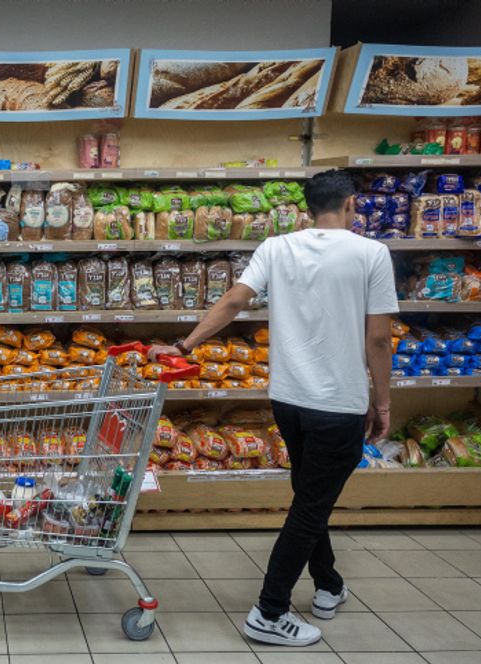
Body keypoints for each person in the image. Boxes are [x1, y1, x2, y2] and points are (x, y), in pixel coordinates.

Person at [149, 169, 398, 646]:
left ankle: (328, 586)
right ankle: (269, 611)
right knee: (310, 506)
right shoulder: (371, 254)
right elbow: (380, 338)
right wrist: (382, 401)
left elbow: (232, 302)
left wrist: (184, 345)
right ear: (350, 205)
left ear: (308, 209)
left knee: (310, 494)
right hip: (338, 403)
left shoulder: (276, 247)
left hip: (287, 399)